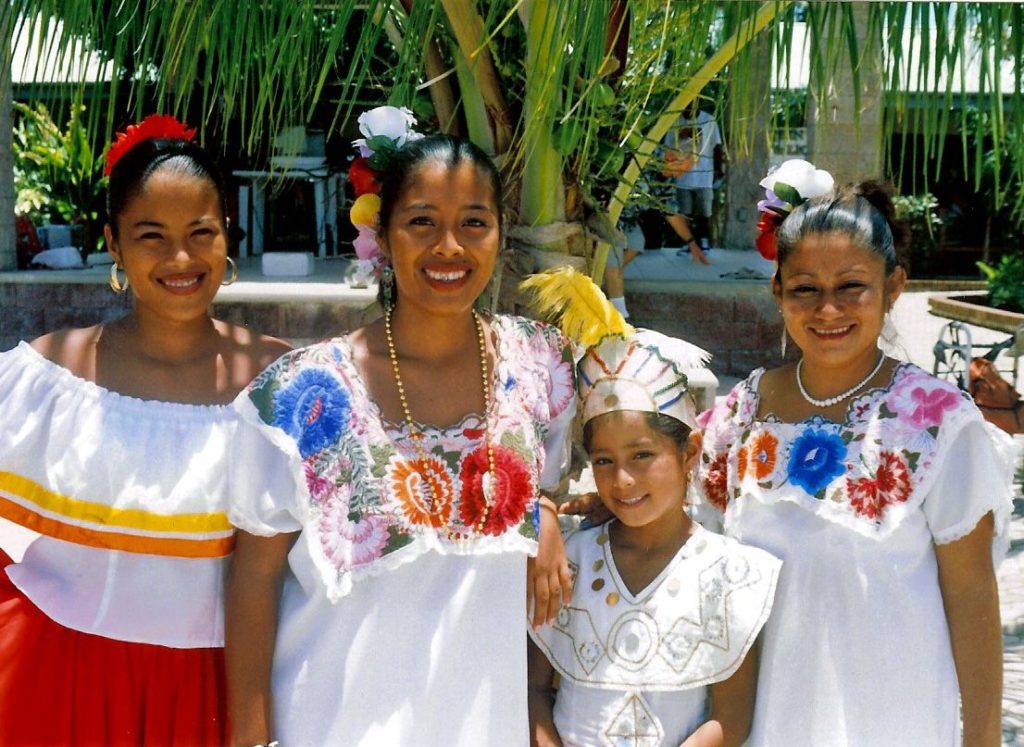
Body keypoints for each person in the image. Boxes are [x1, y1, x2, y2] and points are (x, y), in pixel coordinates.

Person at [225, 130, 577, 746]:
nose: (450, 246)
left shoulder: (540, 365)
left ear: (500, 232)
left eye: (475, 222)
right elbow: (253, 582)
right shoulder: (304, 394)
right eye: (422, 222)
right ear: (382, 235)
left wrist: (544, 510)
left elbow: (549, 487)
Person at [695, 161, 1015, 746]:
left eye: (851, 287)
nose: (828, 310)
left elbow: (971, 596)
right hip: (765, 722)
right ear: (778, 292)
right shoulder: (738, 418)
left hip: (894, 720)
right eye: (805, 290)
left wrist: (985, 739)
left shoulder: (939, 424)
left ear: (893, 287)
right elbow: (684, 545)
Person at [0, 114, 290, 745]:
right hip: (60, 680)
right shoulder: (45, 380)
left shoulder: (285, 384)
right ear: (114, 242)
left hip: (224, 689)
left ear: (227, 234)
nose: (180, 258)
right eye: (151, 235)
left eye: (201, 233)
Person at [526, 326, 781, 747]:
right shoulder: (570, 560)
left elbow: (731, 718)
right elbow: (535, 689)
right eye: (604, 460)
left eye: (642, 455)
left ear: (689, 453)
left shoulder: (729, 572)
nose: (622, 480)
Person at [662, 104, 721, 265]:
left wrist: (718, 170)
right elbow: (667, 148)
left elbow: (717, 146)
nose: (686, 111)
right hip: (682, 176)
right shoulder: (675, 121)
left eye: (690, 108)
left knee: (704, 211)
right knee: (685, 211)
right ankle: (689, 243)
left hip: (704, 175)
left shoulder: (709, 120)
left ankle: (704, 241)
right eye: (685, 108)